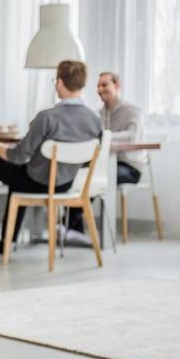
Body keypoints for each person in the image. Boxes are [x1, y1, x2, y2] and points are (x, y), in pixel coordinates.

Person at [0, 60, 102, 254]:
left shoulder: (47, 117)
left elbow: (17, 156)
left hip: (37, 182)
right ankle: (8, 241)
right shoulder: (94, 120)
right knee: (18, 180)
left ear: (59, 83)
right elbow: (88, 159)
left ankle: (7, 242)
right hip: (66, 184)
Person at [65, 71, 146, 238]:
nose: (100, 89)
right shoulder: (98, 113)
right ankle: (74, 229)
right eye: (98, 86)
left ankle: (75, 229)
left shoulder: (133, 111)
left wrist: (105, 136)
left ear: (117, 86)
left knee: (98, 178)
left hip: (129, 166)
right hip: (104, 163)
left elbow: (132, 136)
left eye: (104, 85)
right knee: (78, 176)